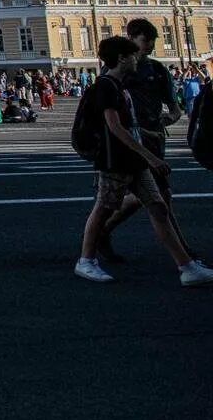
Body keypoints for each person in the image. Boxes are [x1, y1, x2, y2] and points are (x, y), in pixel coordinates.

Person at [74, 36, 213, 285]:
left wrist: (147, 135)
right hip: (115, 160)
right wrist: (149, 156)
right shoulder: (106, 86)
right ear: (121, 58)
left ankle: (187, 267)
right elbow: (115, 128)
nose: (136, 59)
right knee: (103, 209)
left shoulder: (120, 85)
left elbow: (128, 125)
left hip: (134, 162)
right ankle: (86, 261)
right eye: (132, 56)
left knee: (158, 206)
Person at [94, 18, 184, 262]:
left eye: (152, 41)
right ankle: (184, 256)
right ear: (131, 40)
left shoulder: (157, 70)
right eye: (145, 41)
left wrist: (168, 119)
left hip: (154, 142)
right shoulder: (115, 73)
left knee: (151, 197)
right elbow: (107, 114)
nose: (149, 46)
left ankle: (102, 233)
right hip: (128, 145)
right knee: (154, 199)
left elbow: (175, 108)